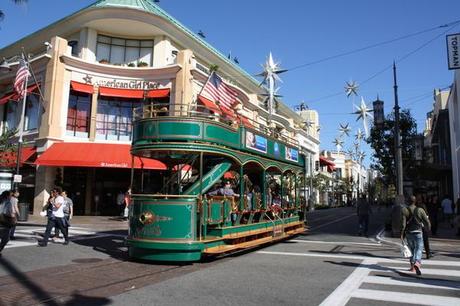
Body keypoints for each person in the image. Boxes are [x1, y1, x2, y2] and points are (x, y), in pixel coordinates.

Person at [401, 195, 431, 275]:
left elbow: (403, 224)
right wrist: (428, 228)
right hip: (418, 232)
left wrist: (402, 234)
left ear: (408, 201)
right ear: (415, 201)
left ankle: (412, 267)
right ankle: (417, 263)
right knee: (419, 249)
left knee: (411, 250)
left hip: (408, 233)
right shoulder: (420, 210)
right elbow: (426, 221)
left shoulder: (404, 210)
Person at [416, 194, 432, 259]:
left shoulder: (415, 206)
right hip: (423, 225)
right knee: (425, 240)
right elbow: (426, 216)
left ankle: (416, 255)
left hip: (416, 226)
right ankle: (428, 254)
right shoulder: (423, 206)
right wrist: (428, 225)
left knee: (417, 240)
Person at [0, 190, 16, 254]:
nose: (11, 197)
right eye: (10, 195)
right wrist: (13, 217)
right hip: (4, 223)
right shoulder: (7, 202)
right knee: (6, 239)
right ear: (7, 196)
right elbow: (7, 213)